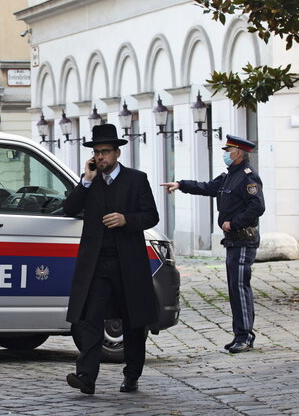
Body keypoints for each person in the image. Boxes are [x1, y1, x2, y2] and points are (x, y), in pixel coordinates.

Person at [63, 124, 160, 395]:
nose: (101, 156)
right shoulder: (89, 181)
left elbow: (151, 216)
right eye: (97, 152)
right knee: (90, 319)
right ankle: (86, 377)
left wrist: (126, 219)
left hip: (127, 262)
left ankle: (132, 375)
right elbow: (69, 207)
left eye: (105, 152)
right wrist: (85, 179)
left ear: (117, 153)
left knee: (132, 320)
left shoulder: (136, 179)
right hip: (96, 264)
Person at [160, 135, 264, 354]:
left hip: (243, 239)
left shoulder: (248, 177)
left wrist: (233, 223)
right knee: (234, 289)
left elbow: (257, 207)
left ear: (239, 153)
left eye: (229, 150)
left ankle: (245, 336)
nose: (225, 153)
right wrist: (181, 185)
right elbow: (208, 187)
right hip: (233, 241)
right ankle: (240, 334)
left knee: (239, 287)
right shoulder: (230, 176)